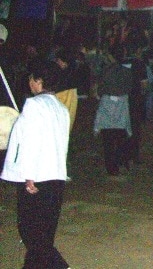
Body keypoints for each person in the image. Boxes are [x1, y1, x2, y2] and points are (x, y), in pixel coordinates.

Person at [1, 58, 71, 269]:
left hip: (37, 178)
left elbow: (30, 142)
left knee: (31, 233)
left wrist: (29, 176)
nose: (29, 82)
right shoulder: (61, 107)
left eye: (31, 78)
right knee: (43, 235)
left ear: (39, 81)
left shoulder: (34, 105)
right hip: (55, 176)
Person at [93, 46, 134, 176]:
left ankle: (112, 167)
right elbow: (130, 88)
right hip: (122, 106)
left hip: (107, 106)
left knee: (108, 140)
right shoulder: (127, 71)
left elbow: (99, 90)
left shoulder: (105, 71)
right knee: (121, 137)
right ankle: (121, 162)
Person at [54, 47, 80, 130]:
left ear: (64, 62)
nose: (57, 63)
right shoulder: (73, 75)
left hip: (63, 103)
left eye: (58, 60)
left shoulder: (62, 77)